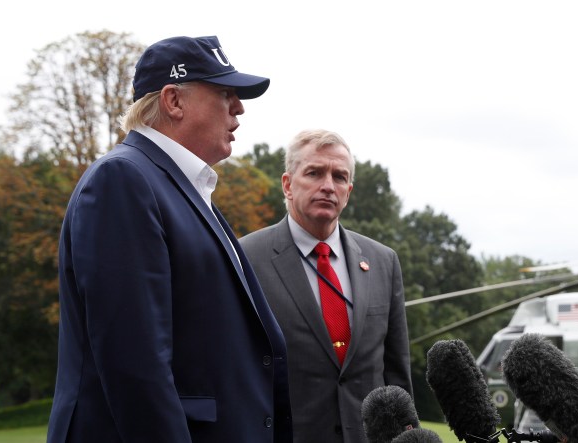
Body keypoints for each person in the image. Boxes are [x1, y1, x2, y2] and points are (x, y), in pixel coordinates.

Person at [47, 35, 292, 443]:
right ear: (173, 101)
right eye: (225, 93)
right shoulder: (123, 180)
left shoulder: (177, 188)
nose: (239, 108)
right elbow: (135, 367)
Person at [240, 129, 412, 443]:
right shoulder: (246, 259)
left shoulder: (383, 262)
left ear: (349, 190)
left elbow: (396, 374)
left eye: (339, 176)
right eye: (315, 173)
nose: (328, 186)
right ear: (288, 185)